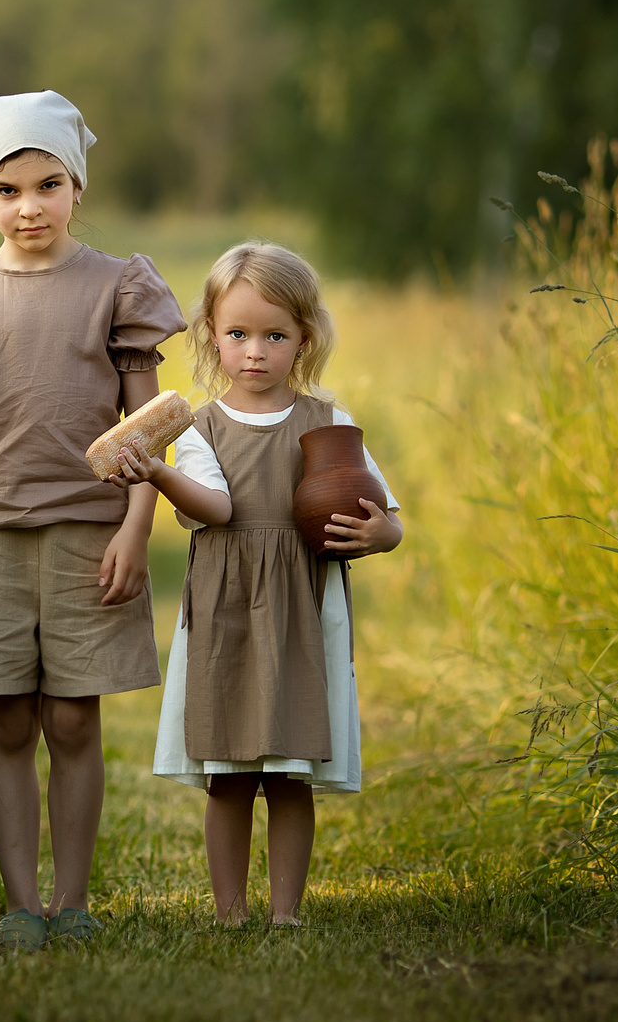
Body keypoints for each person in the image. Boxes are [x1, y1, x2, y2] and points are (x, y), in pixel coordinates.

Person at [0, 91, 186, 954]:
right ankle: (22, 902)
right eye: (9, 190)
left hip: (89, 535)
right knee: (10, 719)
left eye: (48, 184)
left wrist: (136, 528)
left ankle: (74, 897)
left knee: (73, 720)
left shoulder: (116, 288)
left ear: (77, 186)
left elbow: (151, 429)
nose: (30, 206)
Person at [111, 241, 402, 927]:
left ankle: (286, 912)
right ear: (212, 333)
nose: (255, 350)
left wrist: (381, 535)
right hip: (228, 612)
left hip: (302, 607)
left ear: (304, 337)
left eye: (275, 334)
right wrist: (157, 471)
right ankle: (231, 911)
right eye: (238, 332)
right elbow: (214, 509)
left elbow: (385, 511)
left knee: (288, 772)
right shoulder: (200, 427)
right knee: (230, 773)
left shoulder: (327, 421)